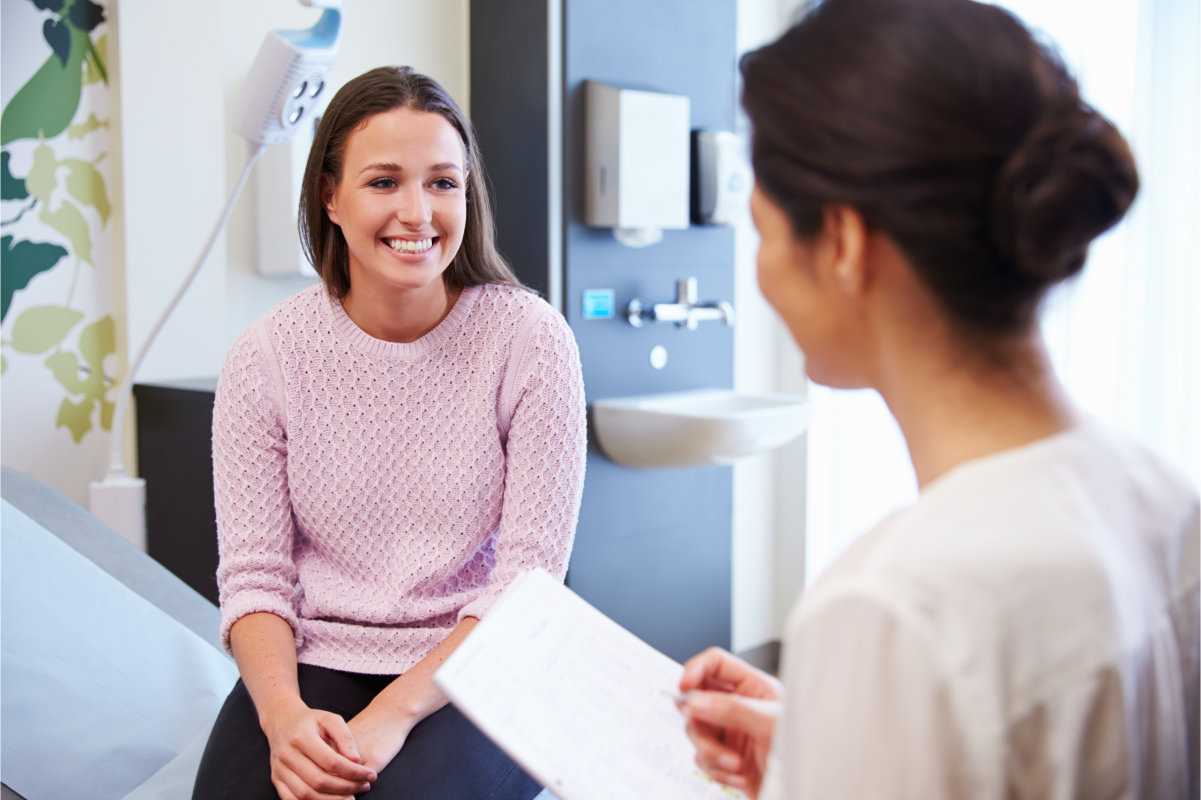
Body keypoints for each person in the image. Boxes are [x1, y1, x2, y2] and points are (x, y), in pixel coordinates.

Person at [676, 0, 1199, 797]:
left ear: (844, 244)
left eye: (763, 230)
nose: (762, 276)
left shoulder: (893, 604)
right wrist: (828, 750)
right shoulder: (1159, 495)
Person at [192, 66, 586, 800]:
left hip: (484, 657)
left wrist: (391, 715)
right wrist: (283, 718)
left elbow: (527, 587)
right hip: (321, 653)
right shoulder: (266, 357)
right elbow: (254, 579)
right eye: (384, 182)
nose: (418, 212)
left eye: (442, 182)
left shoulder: (530, 341)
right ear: (330, 198)